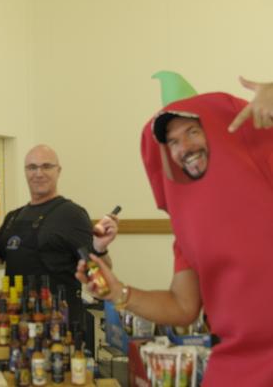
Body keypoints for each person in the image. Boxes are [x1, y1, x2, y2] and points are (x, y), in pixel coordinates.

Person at [77, 75, 273, 386]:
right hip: (237, 364)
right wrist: (119, 292)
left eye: (193, 132)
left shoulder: (264, 174)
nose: (185, 147)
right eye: (173, 141)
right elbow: (183, 306)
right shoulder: (187, 227)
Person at [0, 144, 118, 328]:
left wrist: (100, 248)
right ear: (25, 172)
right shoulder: (13, 217)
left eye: (46, 166)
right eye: (32, 167)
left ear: (58, 171)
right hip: (18, 324)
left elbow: (100, 272)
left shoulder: (72, 215)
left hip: (59, 326)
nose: (38, 173)